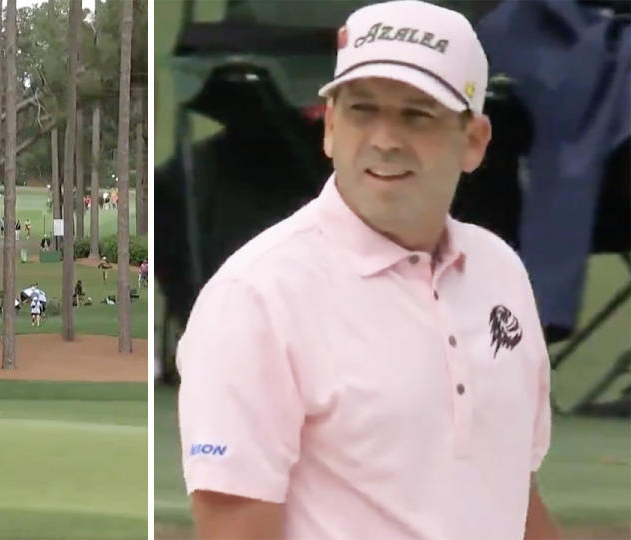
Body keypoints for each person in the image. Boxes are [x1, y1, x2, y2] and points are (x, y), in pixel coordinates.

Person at [176, 2, 559, 539]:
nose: (383, 139)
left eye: (416, 114)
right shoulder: (256, 296)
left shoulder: (500, 272)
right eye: (362, 111)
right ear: (330, 127)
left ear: (473, 141)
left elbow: (516, 489)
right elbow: (233, 525)